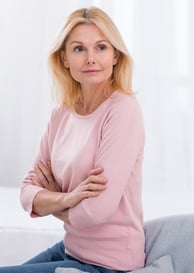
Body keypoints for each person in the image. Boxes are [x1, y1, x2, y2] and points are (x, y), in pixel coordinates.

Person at [0, 6, 145, 273]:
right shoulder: (61, 114)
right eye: (79, 49)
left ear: (115, 55)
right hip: (72, 248)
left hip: (109, 265)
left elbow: (96, 210)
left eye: (101, 47)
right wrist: (68, 199)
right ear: (65, 58)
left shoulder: (122, 109)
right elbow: (27, 192)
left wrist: (52, 201)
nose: (91, 58)